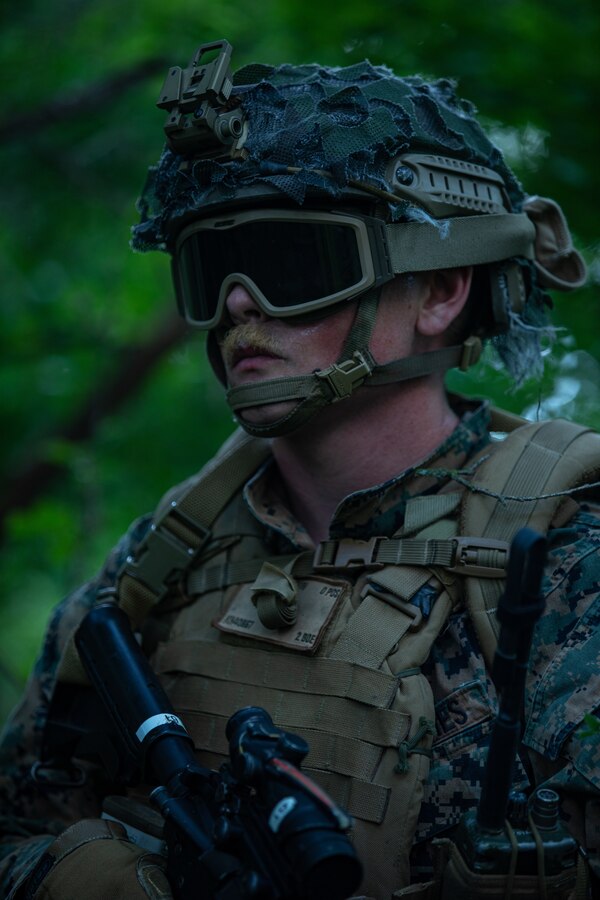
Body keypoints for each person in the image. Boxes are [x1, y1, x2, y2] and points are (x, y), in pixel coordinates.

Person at [1, 39, 598, 900]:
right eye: (213, 269)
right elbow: (22, 817)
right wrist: (92, 878)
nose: (241, 303)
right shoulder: (164, 559)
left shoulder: (569, 560)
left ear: (441, 290)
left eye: (291, 263)